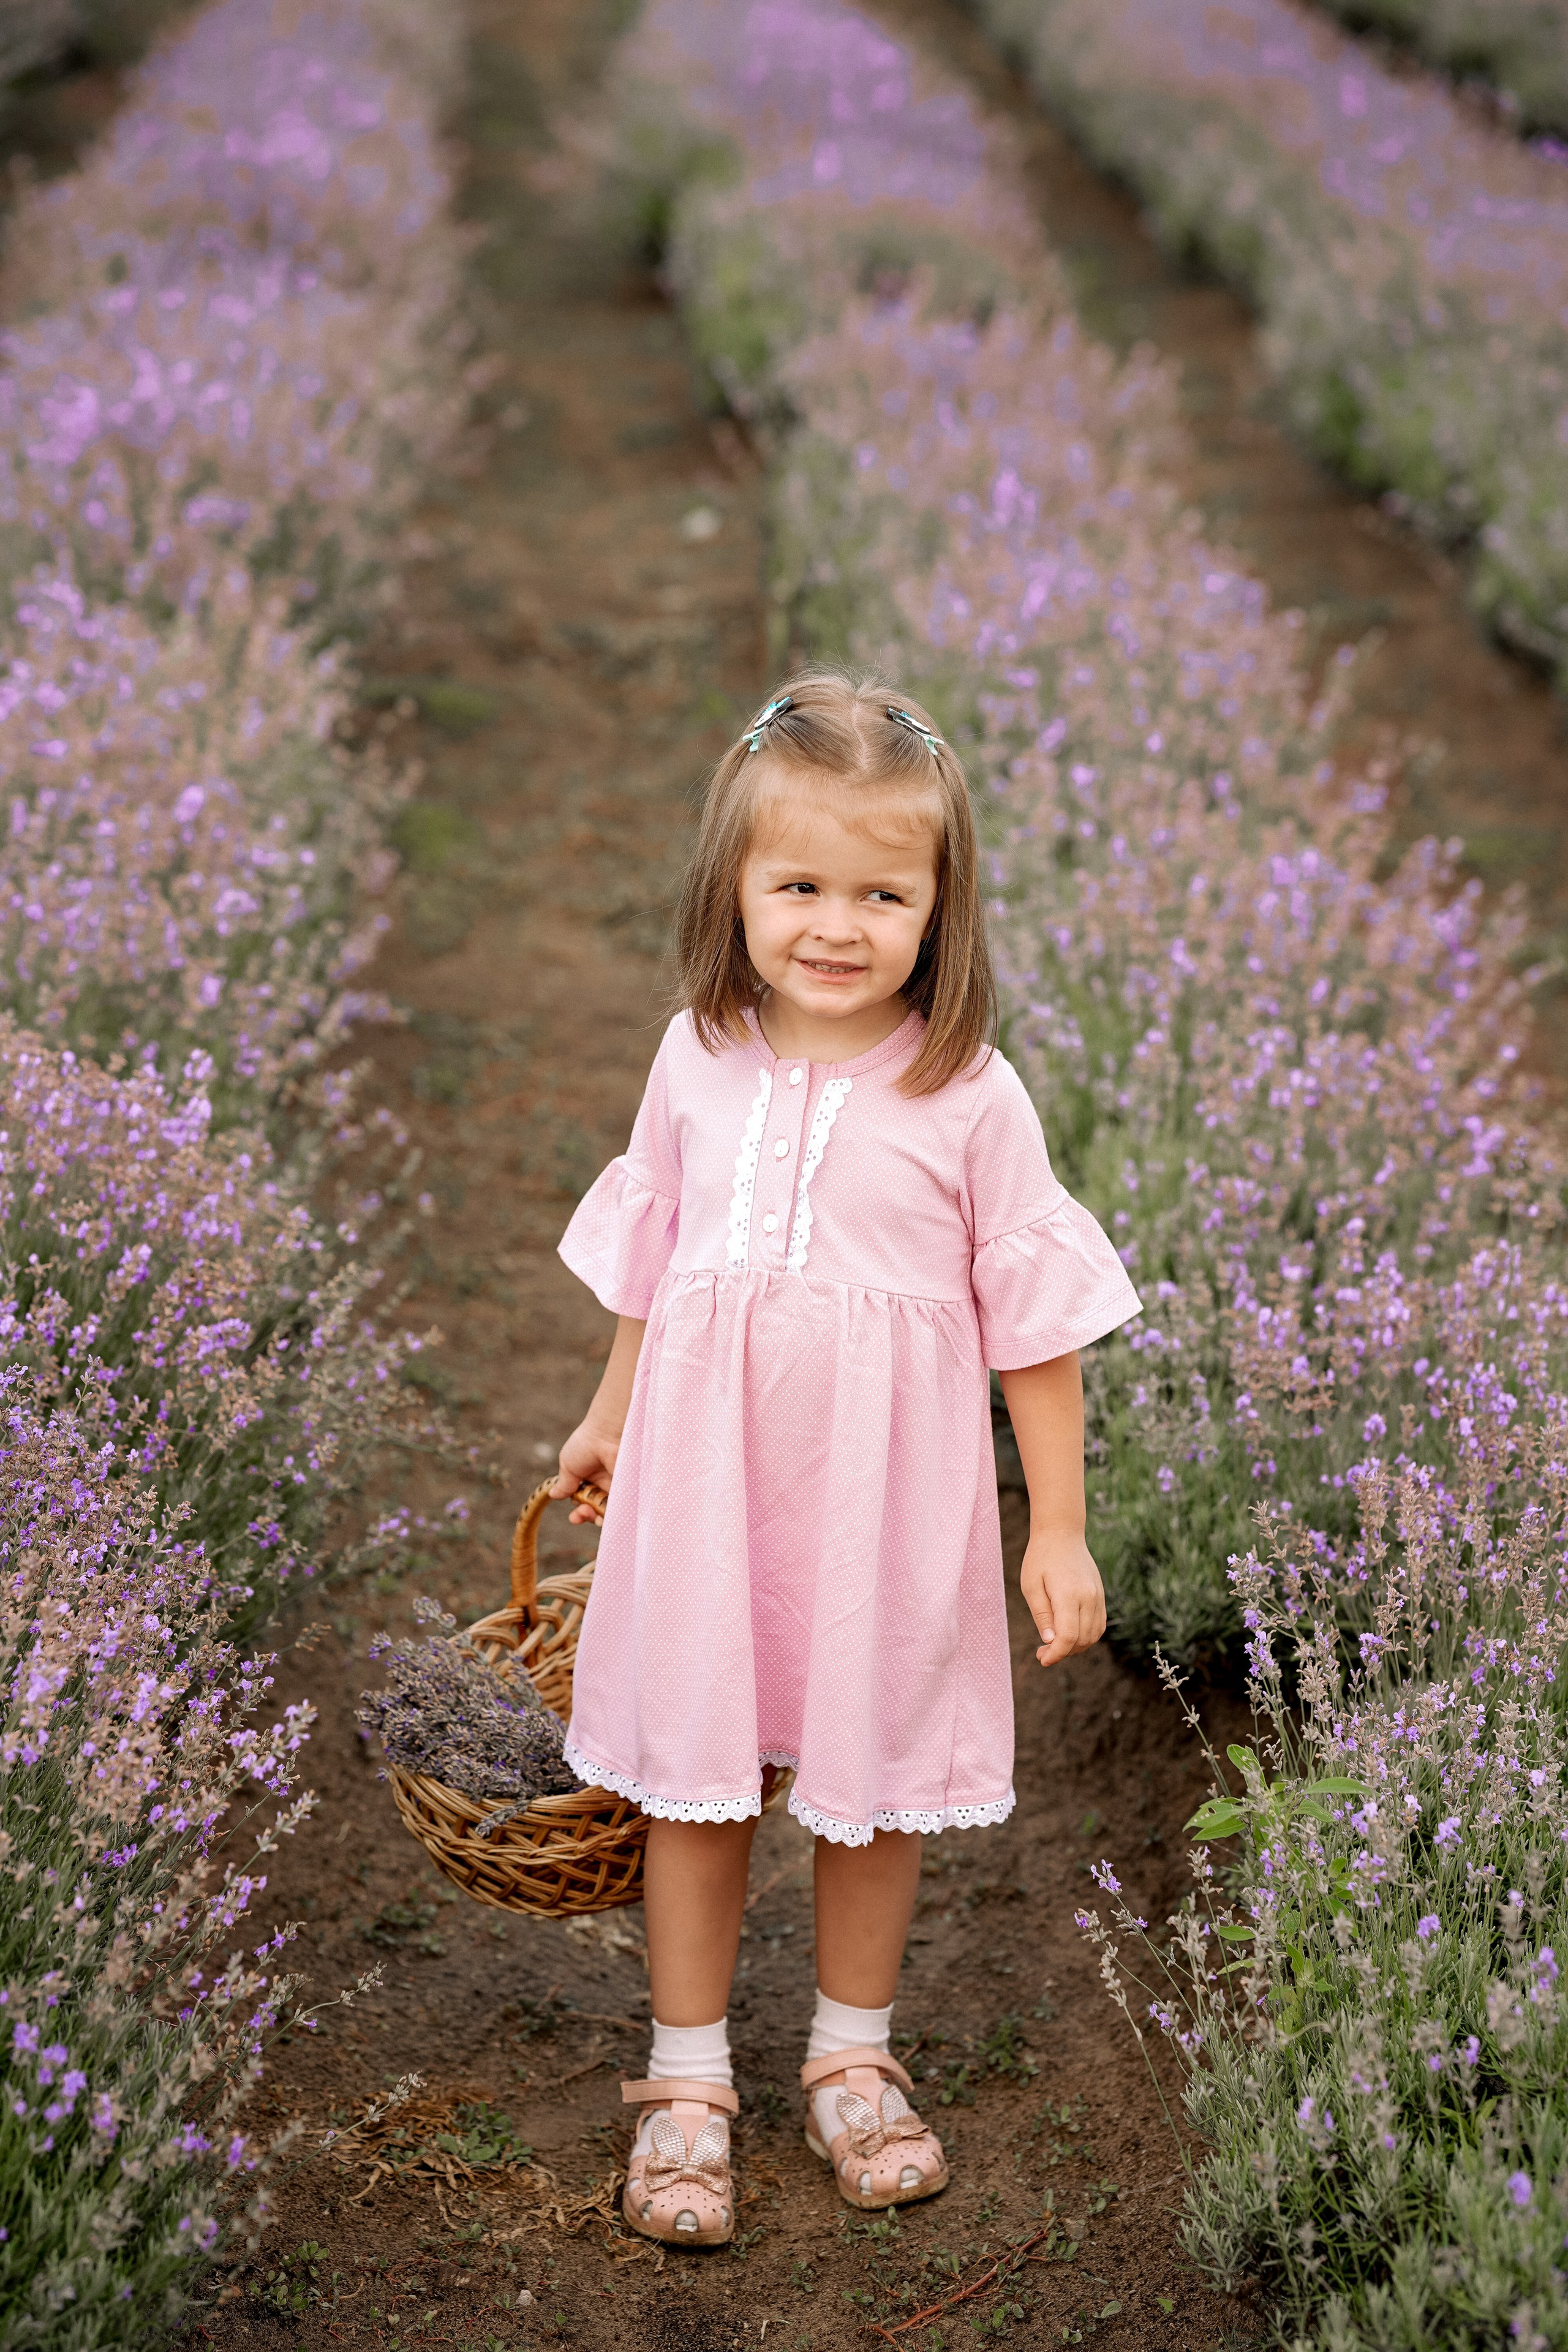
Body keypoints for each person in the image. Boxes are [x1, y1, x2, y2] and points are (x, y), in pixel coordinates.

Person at [551, 671, 1139, 2247]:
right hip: (706, 1484)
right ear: (731, 887)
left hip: (881, 1505)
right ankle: (684, 2080)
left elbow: (1034, 1328)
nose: (836, 923)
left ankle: (849, 2056)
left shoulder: (967, 1096)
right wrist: (609, 1414)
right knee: (697, 1773)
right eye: (797, 885)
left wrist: (1057, 1528)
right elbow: (661, 1265)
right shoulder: (695, 1056)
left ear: (940, 910)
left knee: (865, 1792)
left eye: (882, 892)